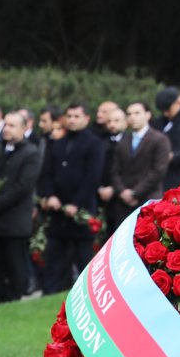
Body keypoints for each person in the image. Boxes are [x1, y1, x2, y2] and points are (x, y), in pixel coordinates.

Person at [37, 103, 106, 293]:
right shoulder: (58, 143)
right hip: (58, 212)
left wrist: (76, 204)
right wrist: (50, 195)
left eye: (77, 116)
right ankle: (50, 292)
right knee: (55, 258)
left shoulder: (94, 143)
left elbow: (92, 177)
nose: (72, 120)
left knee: (84, 259)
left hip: (81, 211)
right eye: (69, 116)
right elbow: (47, 173)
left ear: (86, 118)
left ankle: (87, 296)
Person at [0, 112, 43, 303]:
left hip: (14, 220)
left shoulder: (31, 153)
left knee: (15, 265)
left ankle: (14, 299)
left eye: (12, 126)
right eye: (5, 125)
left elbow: (23, 187)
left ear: (24, 128)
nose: (6, 129)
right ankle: (1, 299)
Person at [109, 101, 171, 230]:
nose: (132, 117)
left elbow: (158, 171)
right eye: (129, 114)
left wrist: (135, 192)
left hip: (148, 199)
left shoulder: (160, 139)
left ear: (148, 115)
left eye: (137, 113)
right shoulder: (123, 140)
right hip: (123, 202)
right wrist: (122, 191)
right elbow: (114, 171)